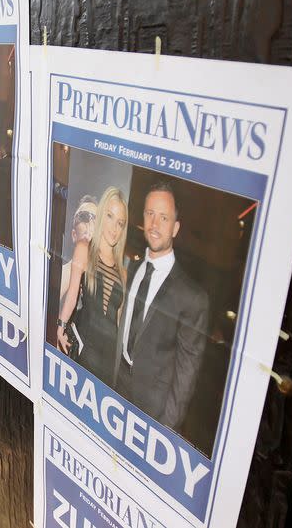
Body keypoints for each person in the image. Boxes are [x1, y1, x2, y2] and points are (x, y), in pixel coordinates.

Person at [114, 182, 209, 430]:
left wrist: (165, 429)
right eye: (150, 214)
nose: (155, 225)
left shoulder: (192, 297)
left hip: (152, 413)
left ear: (175, 228)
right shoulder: (132, 269)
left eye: (164, 218)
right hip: (114, 389)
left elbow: (186, 376)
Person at [55, 188, 127, 385]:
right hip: (84, 349)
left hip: (108, 360)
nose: (114, 227)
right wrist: (60, 326)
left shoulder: (123, 273)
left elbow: (119, 323)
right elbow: (71, 294)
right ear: (101, 216)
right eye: (110, 217)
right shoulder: (84, 249)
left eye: (120, 223)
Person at [58, 195, 98, 301]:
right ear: (74, 235)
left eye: (96, 219)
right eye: (83, 216)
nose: (90, 223)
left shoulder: (102, 283)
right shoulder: (61, 275)